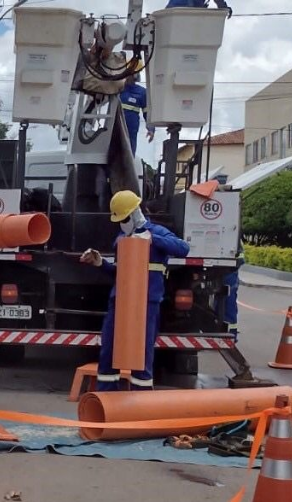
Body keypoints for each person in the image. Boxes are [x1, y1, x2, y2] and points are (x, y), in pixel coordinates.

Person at [81, 190, 190, 391]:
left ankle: (140, 403)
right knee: (109, 351)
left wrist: (152, 238)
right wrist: (100, 263)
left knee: (142, 354)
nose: (122, 223)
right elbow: (121, 274)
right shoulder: (122, 238)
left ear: (135, 214)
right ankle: (106, 401)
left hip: (147, 302)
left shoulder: (155, 232)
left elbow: (183, 248)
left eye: (124, 219)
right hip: (120, 301)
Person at [119, 74, 155, 155]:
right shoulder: (118, 89)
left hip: (131, 127)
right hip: (116, 123)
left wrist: (151, 129)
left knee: (130, 150)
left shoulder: (142, 92)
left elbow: (147, 112)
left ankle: (128, 165)